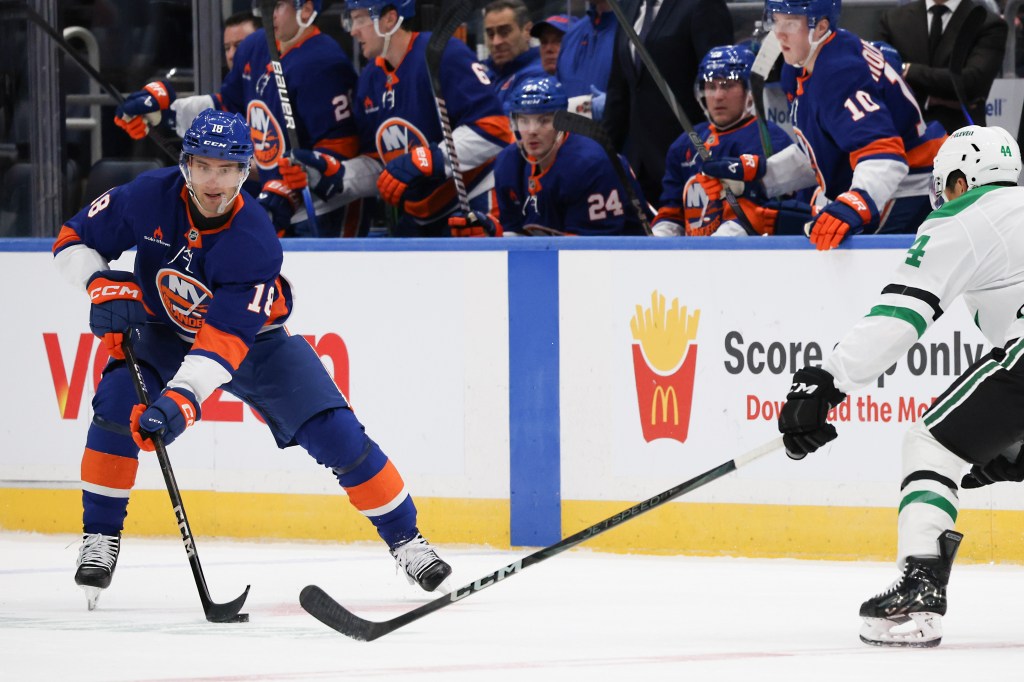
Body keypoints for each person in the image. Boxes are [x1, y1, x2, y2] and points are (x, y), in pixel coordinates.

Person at [56, 109, 452, 611]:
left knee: (337, 433)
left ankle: (408, 541)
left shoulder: (254, 240)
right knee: (114, 405)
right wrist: (99, 283)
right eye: (202, 166)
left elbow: (222, 345)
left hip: (256, 341)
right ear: (185, 165)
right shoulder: (147, 196)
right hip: (163, 330)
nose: (213, 181)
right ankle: (101, 538)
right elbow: (71, 241)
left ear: (244, 172)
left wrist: (180, 402)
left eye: (226, 169)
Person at [777, 125, 1023, 648]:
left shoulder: (967, 216)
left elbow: (902, 310)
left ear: (961, 180)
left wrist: (828, 381)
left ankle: (922, 582)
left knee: (932, 442)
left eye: (945, 183)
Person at [703, 0, 949, 249]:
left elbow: (886, 157)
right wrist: (762, 176)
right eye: (776, 21)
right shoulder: (800, 65)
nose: (779, 32)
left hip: (913, 185)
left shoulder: (838, 71)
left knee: (851, 263)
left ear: (820, 27)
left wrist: (856, 203)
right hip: (889, 183)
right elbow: (821, 152)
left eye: (790, 22)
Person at [113, 1, 363, 238]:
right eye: (264, 5)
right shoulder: (254, 47)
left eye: (277, 5)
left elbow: (340, 153)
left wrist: (293, 188)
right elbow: (228, 108)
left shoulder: (325, 62)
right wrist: (167, 116)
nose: (268, 13)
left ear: (306, 10)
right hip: (273, 201)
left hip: (322, 211)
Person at [290, 0, 514, 238]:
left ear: (389, 19)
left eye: (359, 19)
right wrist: (338, 174)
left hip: (471, 204)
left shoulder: (443, 53)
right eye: (351, 20)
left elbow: (495, 130)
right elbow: (380, 163)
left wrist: (429, 158)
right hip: (418, 217)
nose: (353, 30)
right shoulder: (369, 78)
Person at [652, 44, 808, 237]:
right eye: (711, 86)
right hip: (692, 257)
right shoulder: (684, 144)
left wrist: (724, 243)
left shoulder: (769, 140)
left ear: (749, 90)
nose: (718, 96)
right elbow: (672, 211)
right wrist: (658, 240)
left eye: (728, 85)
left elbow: (771, 212)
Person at [603, 0, 735, 208]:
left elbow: (721, 85)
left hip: (690, 161)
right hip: (639, 165)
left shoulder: (703, 5)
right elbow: (618, 94)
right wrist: (604, 157)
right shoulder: (627, 7)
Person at [492, 76, 648, 236]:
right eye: (524, 121)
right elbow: (512, 233)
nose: (532, 130)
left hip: (621, 254)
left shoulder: (589, 165)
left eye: (544, 120)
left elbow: (593, 247)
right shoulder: (507, 163)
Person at [879, 0, 1007, 133]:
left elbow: (971, 83)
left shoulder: (988, 22)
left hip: (962, 138)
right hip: (903, 136)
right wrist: (929, 99)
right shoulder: (893, 19)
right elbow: (878, 75)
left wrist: (906, 69)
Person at [557, 1, 619, 120]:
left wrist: (616, 106)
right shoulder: (571, 35)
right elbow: (562, 105)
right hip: (574, 136)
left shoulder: (636, 31)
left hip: (618, 135)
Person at [482, 0, 546, 110]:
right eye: (490, 34)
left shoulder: (538, 76)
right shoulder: (489, 74)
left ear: (527, 31)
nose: (496, 42)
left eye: (504, 32)